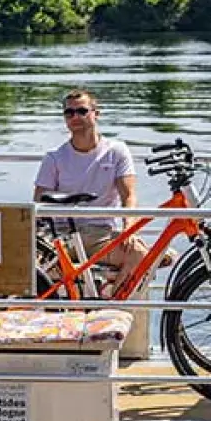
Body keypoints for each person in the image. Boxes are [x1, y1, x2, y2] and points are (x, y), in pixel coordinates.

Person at [33, 90, 148, 292]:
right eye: (69, 113)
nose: (75, 117)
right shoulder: (54, 157)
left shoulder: (116, 151)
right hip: (62, 236)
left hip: (101, 234)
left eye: (82, 111)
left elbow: (128, 195)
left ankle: (111, 305)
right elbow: (39, 203)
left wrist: (130, 226)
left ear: (96, 113)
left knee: (141, 254)